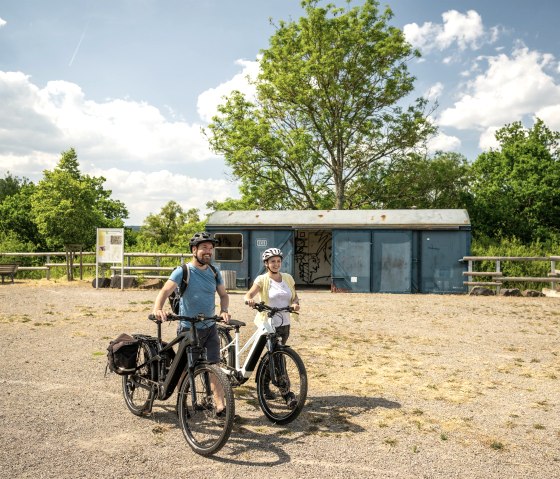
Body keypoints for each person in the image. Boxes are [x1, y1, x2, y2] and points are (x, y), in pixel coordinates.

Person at [152, 231, 230, 414]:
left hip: (209, 326)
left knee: (214, 366)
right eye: (204, 248)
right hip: (188, 327)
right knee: (186, 368)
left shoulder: (214, 271)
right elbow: (165, 291)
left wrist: (224, 310)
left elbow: (224, 295)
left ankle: (221, 407)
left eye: (210, 248)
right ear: (194, 250)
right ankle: (182, 403)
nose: (208, 251)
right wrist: (158, 308)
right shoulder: (183, 271)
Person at [244, 247, 300, 408]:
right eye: (272, 262)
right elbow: (248, 295)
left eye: (278, 261)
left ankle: (263, 384)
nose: (276, 264)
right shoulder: (262, 280)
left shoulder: (288, 278)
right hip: (269, 324)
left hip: (285, 323)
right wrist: (250, 301)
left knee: (273, 355)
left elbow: (294, 296)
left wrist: (296, 303)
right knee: (278, 357)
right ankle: (287, 393)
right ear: (266, 264)